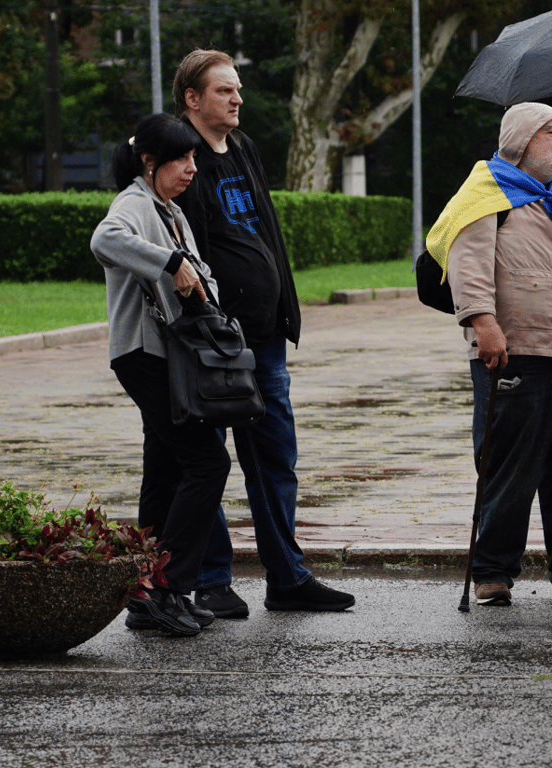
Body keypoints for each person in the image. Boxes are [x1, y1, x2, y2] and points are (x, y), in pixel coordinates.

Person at [172, 48, 353, 614]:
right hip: (213, 342)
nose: (237, 98)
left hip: (266, 339)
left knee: (274, 458)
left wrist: (286, 309)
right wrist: (207, 319)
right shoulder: (181, 156)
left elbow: (266, 231)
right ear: (192, 99)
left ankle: (287, 576)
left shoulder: (244, 147)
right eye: (224, 90)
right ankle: (213, 580)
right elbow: (184, 245)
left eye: (238, 88)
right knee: (208, 460)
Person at [430, 103, 552, 608]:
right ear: (517, 140)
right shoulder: (487, 192)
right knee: (509, 466)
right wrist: (482, 323)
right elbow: (467, 263)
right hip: (518, 350)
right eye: (548, 133)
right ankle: (493, 571)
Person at [91, 113, 226, 637]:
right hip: (143, 355)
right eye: (182, 158)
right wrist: (170, 264)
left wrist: (196, 280)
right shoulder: (132, 204)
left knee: (166, 470)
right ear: (149, 162)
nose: (192, 168)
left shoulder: (169, 210)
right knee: (208, 462)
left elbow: (199, 270)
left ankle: (147, 594)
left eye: (194, 157)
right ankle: (169, 587)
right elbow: (105, 240)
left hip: (170, 357)